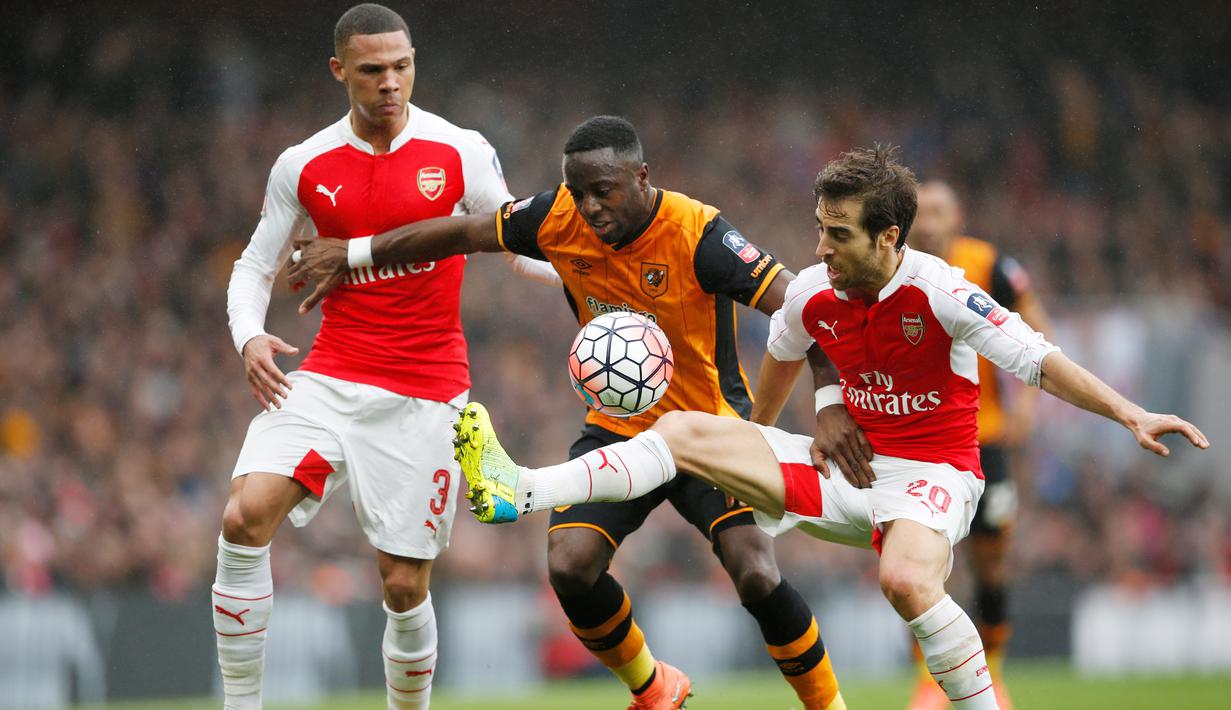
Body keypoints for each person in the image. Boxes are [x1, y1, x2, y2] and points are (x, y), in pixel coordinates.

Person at [451, 146, 1210, 710]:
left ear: (888, 238)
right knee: (685, 428)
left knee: (904, 581)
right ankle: (520, 487)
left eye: (837, 234)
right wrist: (754, 446)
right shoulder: (812, 293)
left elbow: (1040, 361)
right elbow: (772, 382)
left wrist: (1130, 413)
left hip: (931, 480)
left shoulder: (943, 291)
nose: (818, 249)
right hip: (843, 476)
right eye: (818, 229)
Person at [290, 116, 852, 710]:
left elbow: (801, 307)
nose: (588, 206)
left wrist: (830, 400)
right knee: (569, 565)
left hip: (708, 429)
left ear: (642, 177)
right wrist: (352, 254)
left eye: (603, 190)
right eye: (577, 190)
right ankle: (654, 688)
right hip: (617, 429)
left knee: (756, 575)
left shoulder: (698, 233)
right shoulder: (556, 217)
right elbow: (462, 233)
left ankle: (827, 707)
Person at [215, 5, 559, 710]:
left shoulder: (458, 149)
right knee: (244, 516)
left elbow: (512, 243)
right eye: (372, 71)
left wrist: (592, 269)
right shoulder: (303, 164)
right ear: (340, 71)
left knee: (403, 587)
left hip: (426, 392)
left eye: (401, 67)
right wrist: (249, 335)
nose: (390, 83)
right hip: (332, 377)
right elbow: (255, 266)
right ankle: (240, 705)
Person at [904, 181, 1053, 709]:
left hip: (983, 437)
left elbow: (1039, 333)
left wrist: (1029, 407)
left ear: (957, 217)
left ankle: (992, 673)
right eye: (919, 213)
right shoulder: (891, 268)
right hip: (918, 439)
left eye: (938, 211)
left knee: (990, 562)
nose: (928, 222)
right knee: (916, 565)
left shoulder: (990, 268)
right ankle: (929, 680)